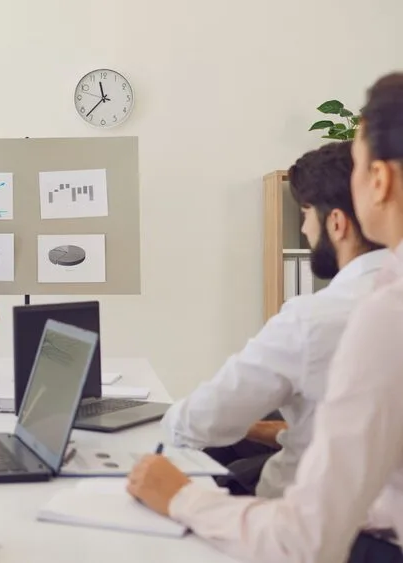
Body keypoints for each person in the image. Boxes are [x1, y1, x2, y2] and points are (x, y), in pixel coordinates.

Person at [128, 72, 403, 563]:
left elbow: (304, 541)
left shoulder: (372, 312)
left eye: (358, 163)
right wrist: (274, 430)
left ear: (378, 180)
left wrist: (179, 496)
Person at [161, 140, 388, 498]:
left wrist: (167, 417)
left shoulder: (313, 320)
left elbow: (192, 425)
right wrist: (273, 430)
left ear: (337, 223)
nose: (304, 230)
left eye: (306, 213)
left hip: (295, 519)